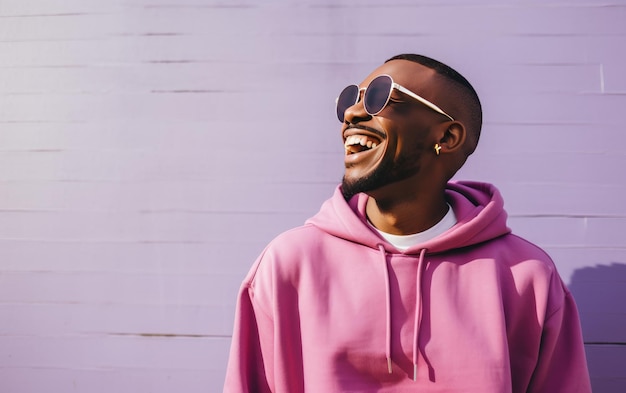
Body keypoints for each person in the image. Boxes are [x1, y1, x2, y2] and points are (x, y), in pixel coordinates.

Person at [223, 54, 592, 392]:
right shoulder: (290, 264)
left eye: (381, 97)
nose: (352, 113)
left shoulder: (525, 276)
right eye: (353, 97)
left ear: (446, 137)